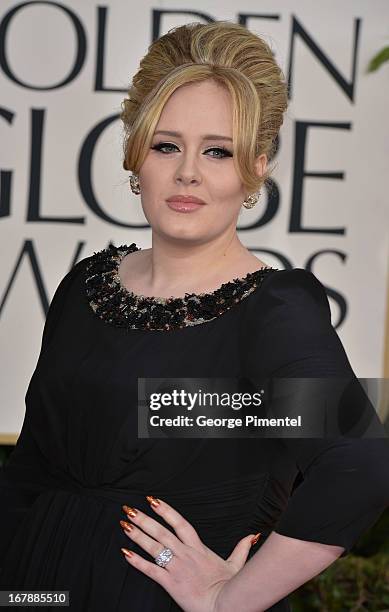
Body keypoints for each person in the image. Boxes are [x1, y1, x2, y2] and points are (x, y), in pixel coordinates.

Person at [1, 20, 388, 612]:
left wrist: (228, 599)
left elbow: (359, 464)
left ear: (255, 166)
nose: (188, 172)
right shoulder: (86, 286)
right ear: (137, 156)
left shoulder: (272, 313)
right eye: (166, 145)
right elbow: (29, 477)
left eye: (217, 150)